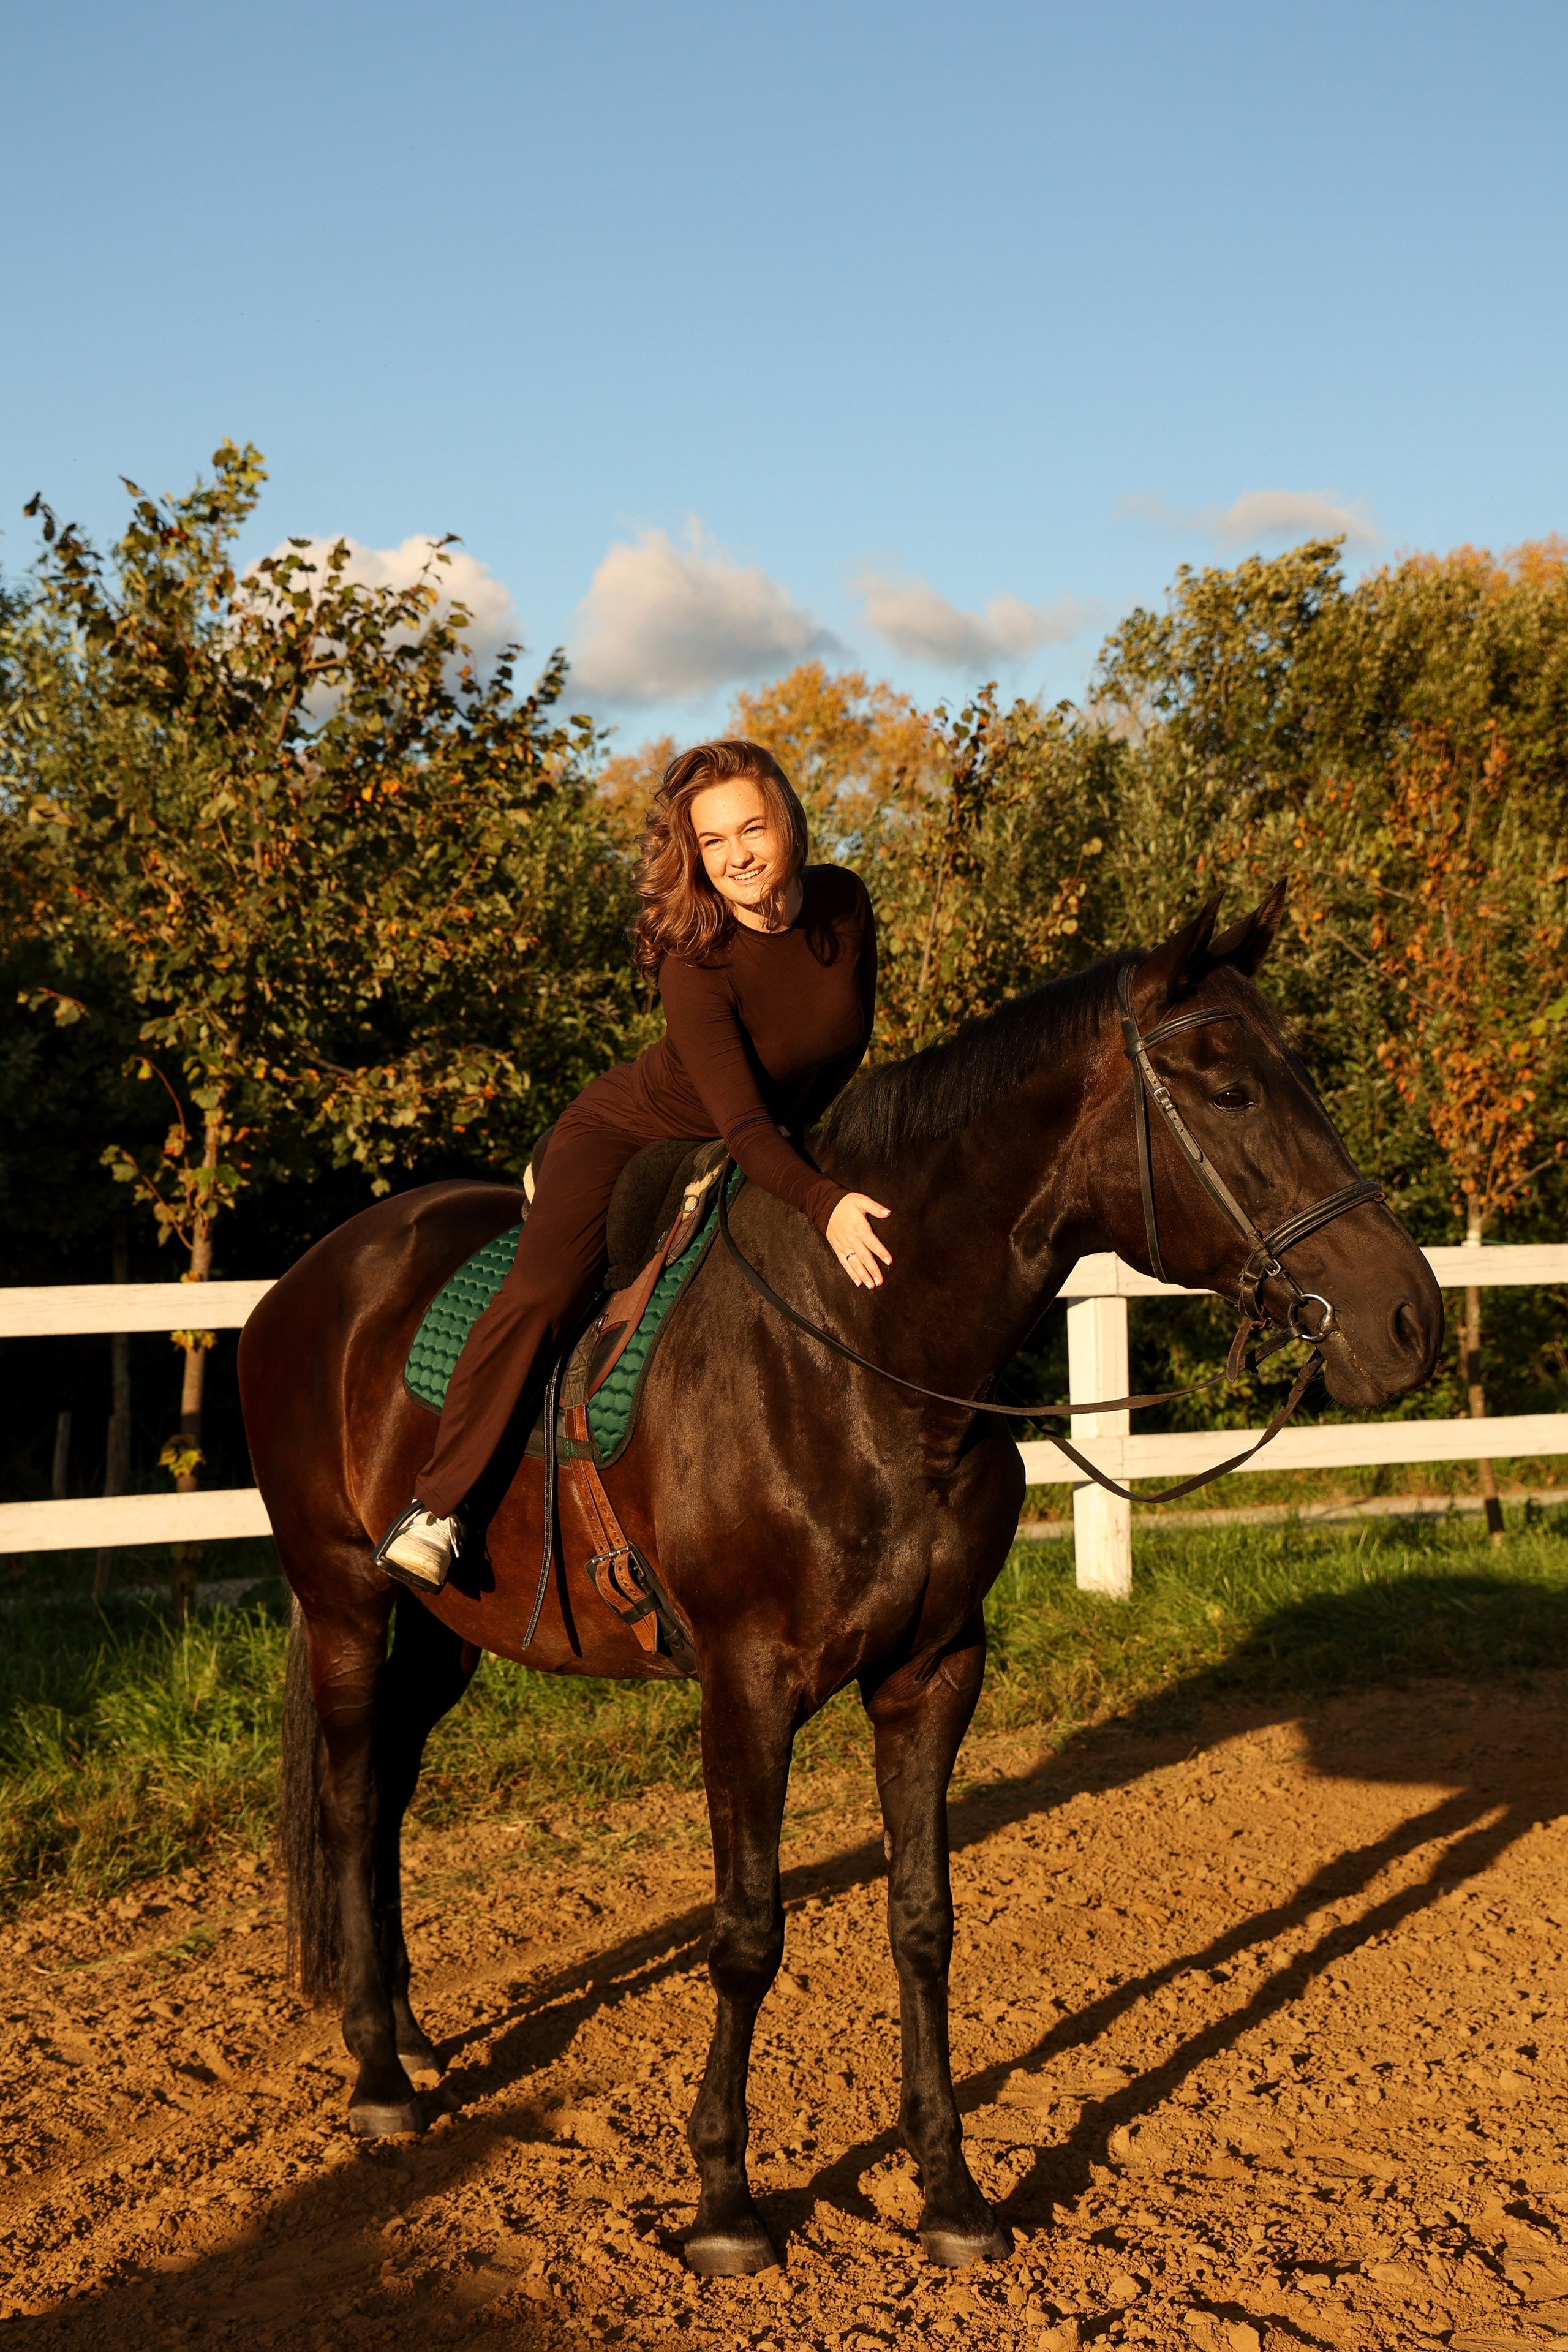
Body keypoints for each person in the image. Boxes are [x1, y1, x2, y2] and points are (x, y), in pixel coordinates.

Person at [377, 738, 890, 1591]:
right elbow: (744, 1125)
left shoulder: (844, 903)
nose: (737, 857)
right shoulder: (697, 957)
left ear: (790, 821)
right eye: (713, 843)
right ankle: (437, 1503)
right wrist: (824, 1199)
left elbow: (843, 1047)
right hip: (636, 1131)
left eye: (752, 828)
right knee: (544, 1291)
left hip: (774, 1131)